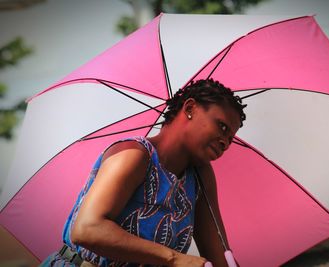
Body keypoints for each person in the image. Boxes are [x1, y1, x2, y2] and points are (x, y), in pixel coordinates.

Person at [40, 79, 246, 267]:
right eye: (221, 127)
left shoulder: (200, 178)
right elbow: (87, 229)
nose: (225, 142)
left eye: (230, 138)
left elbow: (220, 258)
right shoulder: (135, 154)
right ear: (190, 108)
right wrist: (173, 258)